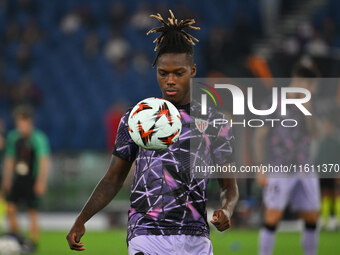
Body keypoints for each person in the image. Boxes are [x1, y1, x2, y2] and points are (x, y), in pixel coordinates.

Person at [67, 10, 239, 254]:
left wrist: (227, 209)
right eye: (163, 73)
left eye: (178, 73)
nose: (170, 80)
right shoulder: (137, 117)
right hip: (146, 234)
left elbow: (228, 186)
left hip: (195, 237)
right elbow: (113, 177)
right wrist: (82, 218)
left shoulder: (214, 121)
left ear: (192, 71)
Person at [256, 59, 321, 255]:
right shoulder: (275, 101)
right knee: (272, 217)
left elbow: (316, 134)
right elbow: (260, 135)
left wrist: (307, 111)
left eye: (311, 84)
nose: (308, 87)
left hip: (304, 167)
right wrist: (261, 166)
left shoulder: (310, 104)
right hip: (279, 167)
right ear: (295, 79)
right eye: (305, 82)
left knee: (311, 217)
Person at [1, 105, 50, 246]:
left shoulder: (39, 139)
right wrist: (7, 179)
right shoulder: (13, 138)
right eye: (18, 122)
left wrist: (41, 182)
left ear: (30, 122)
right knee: (10, 210)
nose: (20, 126)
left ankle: (33, 243)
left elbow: (44, 161)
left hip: (32, 180)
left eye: (23, 122)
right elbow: (10, 160)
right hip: (18, 179)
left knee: (32, 212)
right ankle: (19, 238)